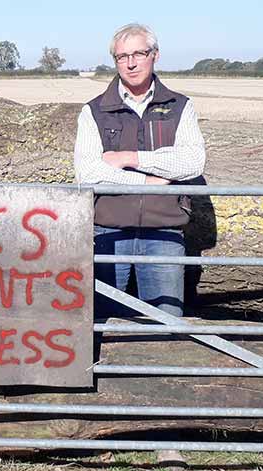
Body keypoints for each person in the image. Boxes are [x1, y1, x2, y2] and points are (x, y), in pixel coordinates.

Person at [74, 23, 206, 319]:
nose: (131, 63)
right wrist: (148, 179)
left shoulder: (180, 107)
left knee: (165, 323)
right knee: (102, 323)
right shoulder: (94, 110)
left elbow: (192, 162)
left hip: (164, 232)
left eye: (138, 54)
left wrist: (129, 157)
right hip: (108, 232)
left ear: (155, 55)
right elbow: (87, 172)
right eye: (122, 57)